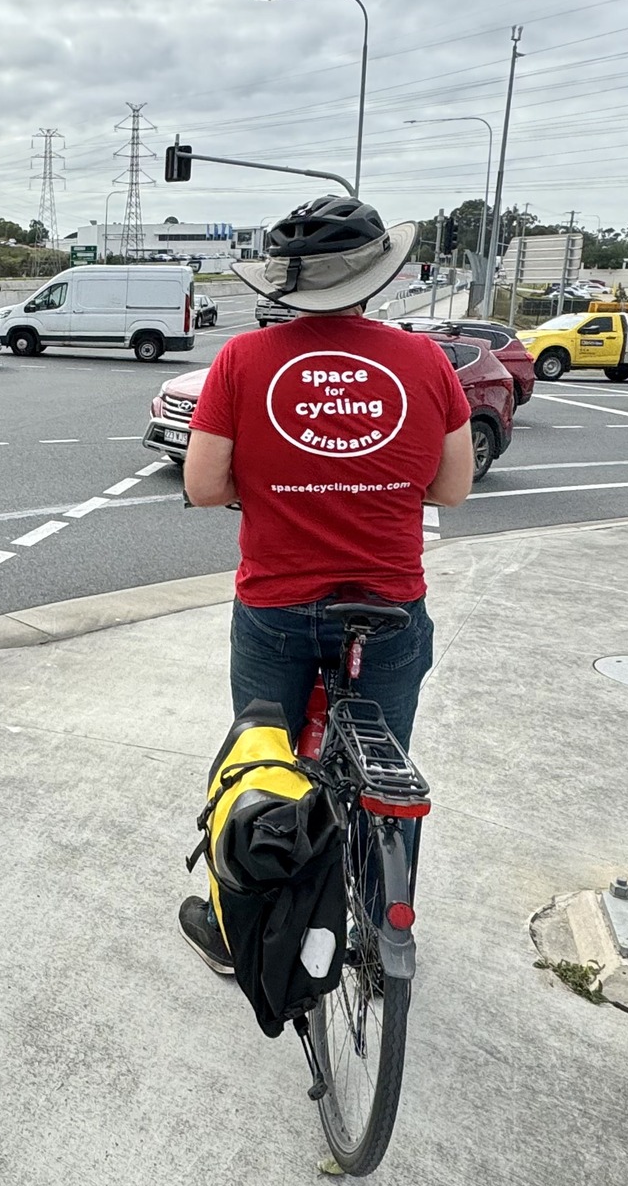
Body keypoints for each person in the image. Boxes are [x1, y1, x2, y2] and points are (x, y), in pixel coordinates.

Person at [176, 196, 472, 973]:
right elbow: (452, 490)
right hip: (388, 608)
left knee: (259, 761)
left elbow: (202, 486)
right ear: (378, 276)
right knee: (385, 771)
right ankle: (380, 935)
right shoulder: (427, 361)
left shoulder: (242, 359)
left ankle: (242, 932)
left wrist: (273, 485)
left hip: (276, 604)